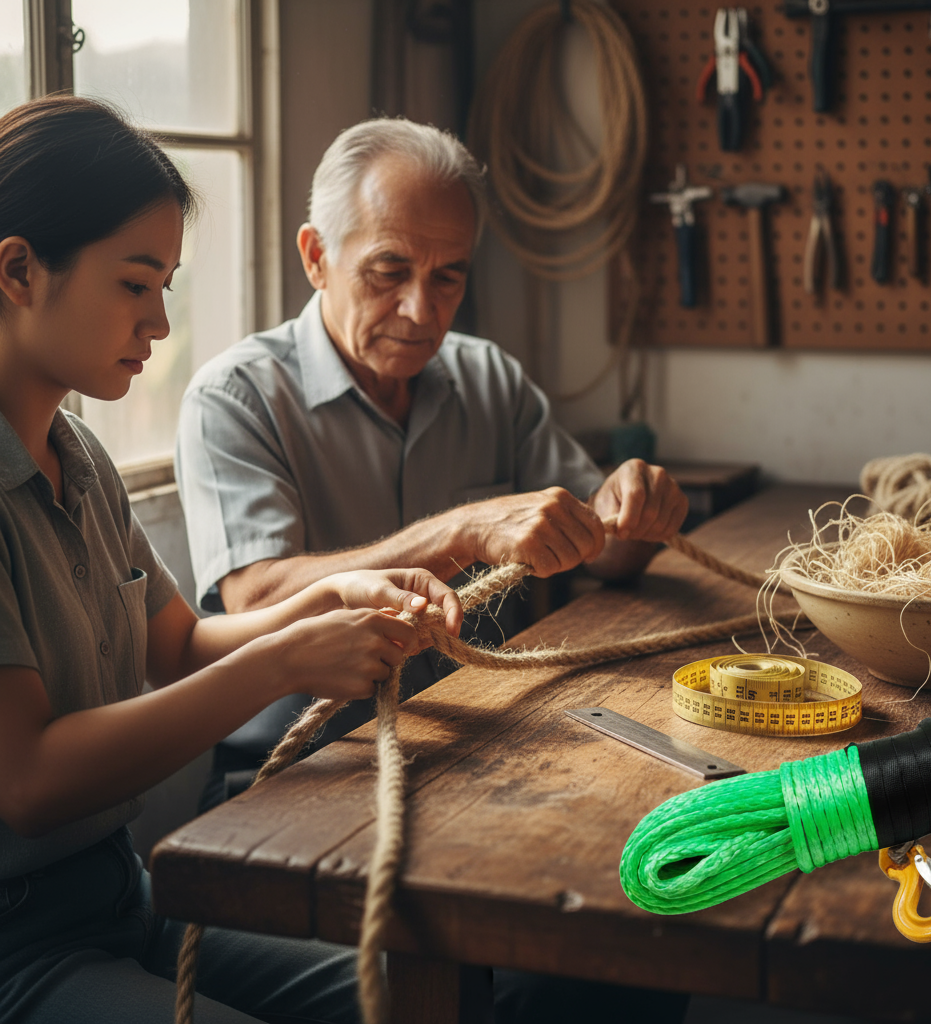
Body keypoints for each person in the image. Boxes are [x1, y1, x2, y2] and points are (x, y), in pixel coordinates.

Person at [0, 95, 465, 1024]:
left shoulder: (79, 457)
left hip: (123, 897)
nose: (160, 324)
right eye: (136, 284)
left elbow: (174, 644)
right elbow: (29, 781)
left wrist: (328, 596)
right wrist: (288, 661)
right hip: (20, 948)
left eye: (165, 285)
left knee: (413, 998)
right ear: (18, 269)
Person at [175, 117, 690, 806]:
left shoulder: (488, 379)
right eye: (389, 271)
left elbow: (606, 553)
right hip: (303, 773)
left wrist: (630, 509)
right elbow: (258, 598)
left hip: (486, 749)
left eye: (448, 278)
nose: (421, 310)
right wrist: (462, 532)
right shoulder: (234, 398)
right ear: (316, 256)